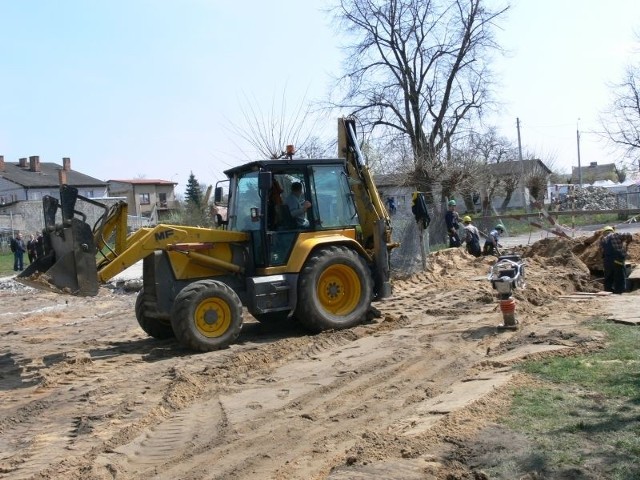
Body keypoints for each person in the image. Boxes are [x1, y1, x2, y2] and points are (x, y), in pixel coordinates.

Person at [599, 225, 632, 294]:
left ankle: (608, 291)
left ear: (604, 232)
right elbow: (628, 234)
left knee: (608, 277)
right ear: (612, 231)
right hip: (617, 260)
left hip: (607, 262)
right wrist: (628, 241)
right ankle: (619, 292)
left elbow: (602, 252)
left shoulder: (602, 240)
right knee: (620, 276)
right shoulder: (615, 235)